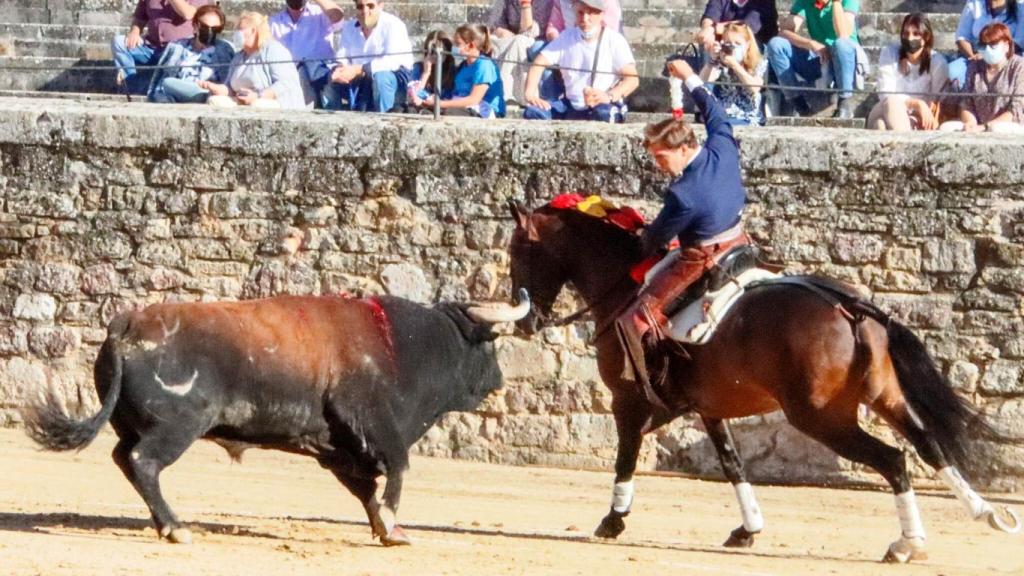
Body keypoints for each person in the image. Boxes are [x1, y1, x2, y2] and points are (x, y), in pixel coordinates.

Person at [616, 58, 750, 395]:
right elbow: (713, 109)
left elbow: (656, 239)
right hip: (740, 239)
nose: (659, 166)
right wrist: (690, 76)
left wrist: (640, 238)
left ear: (684, 148)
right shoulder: (722, 144)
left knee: (635, 320)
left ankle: (651, 388)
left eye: (662, 158)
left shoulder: (683, 194)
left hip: (704, 255)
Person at [523, 0, 638, 122]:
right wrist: (530, 93)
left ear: (601, 14)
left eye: (591, 13)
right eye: (580, 13)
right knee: (533, 112)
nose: (585, 19)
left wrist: (609, 96)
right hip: (570, 104)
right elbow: (539, 63)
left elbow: (632, 79)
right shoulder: (566, 37)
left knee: (603, 114)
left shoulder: (614, 40)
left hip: (602, 103)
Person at [765, 0, 863, 118]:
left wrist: (836, 3)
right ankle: (800, 105)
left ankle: (845, 102)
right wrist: (810, 43)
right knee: (776, 44)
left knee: (841, 44)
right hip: (820, 58)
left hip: (846, 60)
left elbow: (843, 35)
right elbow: (784, 33)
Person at [201, 11, 306, 109]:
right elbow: (229, 88)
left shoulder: (274, 50)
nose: (237, 33)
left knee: (257, 105)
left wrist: (258, 96)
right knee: (215, 101)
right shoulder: (238, 57)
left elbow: (286, 83)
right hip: (243, 103)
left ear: (254, 31)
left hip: (277, 103)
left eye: (241, 29)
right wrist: (213, 87)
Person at [325, 0, 415, 112]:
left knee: (381, 78)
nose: (365, 11)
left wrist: (359, 69)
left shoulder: (394, 25)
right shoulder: (349, 27)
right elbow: (342, 56)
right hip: (360, 80)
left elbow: (392, 61)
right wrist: (339, 70)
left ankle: (386, 122)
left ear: (381, 5)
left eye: (370, 6)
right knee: (329, 78)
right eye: (360, 6)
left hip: (393, 79)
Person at [867, 13, 948, 131]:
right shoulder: (890, 54)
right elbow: (886, 94)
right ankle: (904, 142)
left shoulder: (937, 63)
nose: (910, 38)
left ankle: (890, 139)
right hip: (885, 109)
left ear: (926, 37)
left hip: (917, 119)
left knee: (880, 126)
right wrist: (915, 103)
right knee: (892, 102)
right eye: (906, 33)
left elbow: (936, 100)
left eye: (916, 34)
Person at [940, 22, 1024, 132]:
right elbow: (966, 102)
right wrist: (970, 123)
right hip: (977, 124)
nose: (988, 49)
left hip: (1009, 124)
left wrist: (985, 127)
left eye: (993, 45)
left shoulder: (1019, 67)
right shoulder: (975, 66)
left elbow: (1016, 109)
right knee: (946, 128)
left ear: (1006, 45)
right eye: (984, 45)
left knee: (996, 129)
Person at [112, 0, 209, 94]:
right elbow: (140, 17)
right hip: (151, 46)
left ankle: (160, 91)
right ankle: (131, 87)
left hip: (178, 51)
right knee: (119, 43)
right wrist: (135, 31)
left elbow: (189, 14)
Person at [147, 5, 235, 103]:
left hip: (209, 94)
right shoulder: (177, 46)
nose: (209, 32)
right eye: (205, 27)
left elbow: (229, 81)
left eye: (215, 29)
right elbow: (159, 76)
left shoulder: (225, 49)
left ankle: (202, 97)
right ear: (196, 26)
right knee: (167, 83)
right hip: (175, 94)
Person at [417, 24, 506, 118]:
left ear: (471, 45)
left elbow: (474, 99)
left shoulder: (484, 65)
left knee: (450, 113)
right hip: (462, 108)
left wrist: (440, 103)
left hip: (483, 111)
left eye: (458, 44)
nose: (454, 47)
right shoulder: (463, 66)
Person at [269, 0, 345, 108]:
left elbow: (338, 17)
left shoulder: (320, 14)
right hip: (292, 77)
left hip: (322, 73)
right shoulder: (275, 22)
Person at [699, 22, 768, 125]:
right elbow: (702, 82)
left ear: (748, 44)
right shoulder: (721, 60)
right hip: (722, 113)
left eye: (738, 43)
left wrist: (735, 65)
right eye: (729, 43)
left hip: (747, 115)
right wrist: (712, 61)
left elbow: (754, 88)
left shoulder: (759, 62)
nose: (733, 47)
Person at [488, 0, 556, 105]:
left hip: (536, 41)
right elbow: (495, 24)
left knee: (519, 41)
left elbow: (531, 32)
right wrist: (501, 31)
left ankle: (505, 93)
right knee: (492, 40)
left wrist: (526, 5)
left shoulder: (545, 2)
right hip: (510, 39)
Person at [949, 0, 1023, 89]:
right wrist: (973, 56)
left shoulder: (1020, 7)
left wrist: (990, 54)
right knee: (951, 71)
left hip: (1007, 58)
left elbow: (1019, 42)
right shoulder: (974, 3)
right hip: (974, 56)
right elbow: (961, 37)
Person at [696, 0, 778, 49]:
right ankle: (709, 76)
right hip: (723, 41)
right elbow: (710, 16)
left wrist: (714, 28)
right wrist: (707, 29)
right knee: (708, 39)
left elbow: (747, 26)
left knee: (739, 42)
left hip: (754, 44)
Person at [408, 30, 457, 105]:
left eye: (442, 51)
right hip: (422, 106)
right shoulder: (418, 68)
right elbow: (414, 98)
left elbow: (453, 97)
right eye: (433, 51)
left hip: (444, 109)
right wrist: (426, 73)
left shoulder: (454, 71)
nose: (437, 55)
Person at [546, 0, 621, 39]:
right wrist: (560, 43)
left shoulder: (607, 2)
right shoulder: (561, 1)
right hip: (567, 45)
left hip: (597, 47)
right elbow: (553, 28)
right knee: (538, 47)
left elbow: (610, 32)